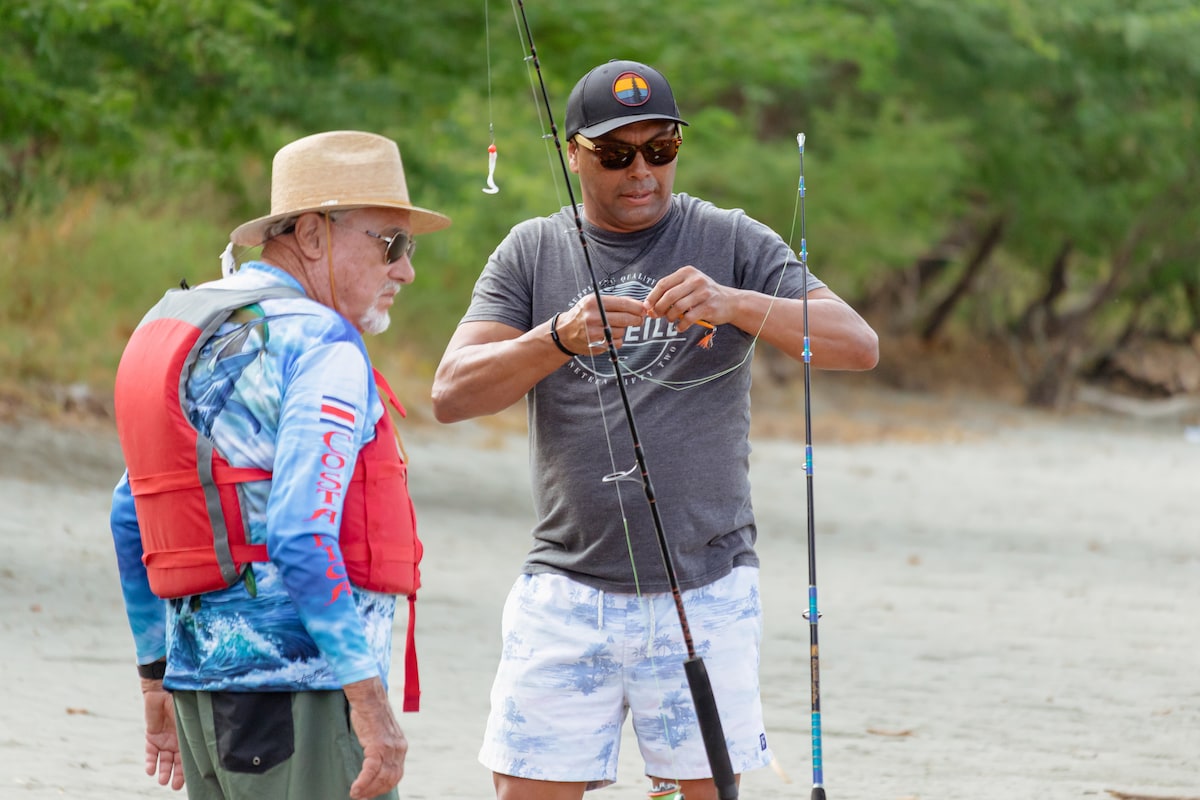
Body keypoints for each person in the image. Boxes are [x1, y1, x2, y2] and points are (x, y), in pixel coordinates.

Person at [432, 60, 879, 799]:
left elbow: (855, 345)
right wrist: (558, 338)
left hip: (707, 585)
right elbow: (451, 394)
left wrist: (734, 302)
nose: (641, 172)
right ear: (573, 153)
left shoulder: (731, 238)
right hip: (566, 588)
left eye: (660, 149)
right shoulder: (531, 250)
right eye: (615, 155)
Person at [109, 130, 450, 800]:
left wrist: (156, 681)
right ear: (315, 235)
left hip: (201, 692)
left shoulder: (190, 322)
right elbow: (299, 532)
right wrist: (371, 704)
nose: (406, 270)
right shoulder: (322, 346)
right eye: (391, 243)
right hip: (308, 694)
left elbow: (131, 512)